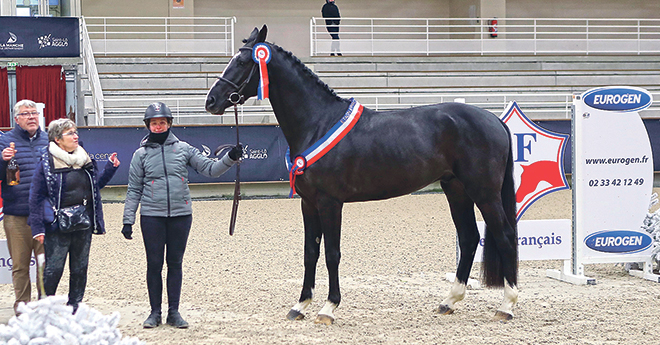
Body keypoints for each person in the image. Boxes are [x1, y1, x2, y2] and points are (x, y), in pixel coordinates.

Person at [121, 102, 242, 329]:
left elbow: (210, 169)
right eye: (154, 123)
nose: (158, 127)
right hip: (152, 216)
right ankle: (154, 312)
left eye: (162, 123)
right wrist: (128, 219)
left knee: (175, 263)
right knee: (154, 264)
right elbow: (134, 189)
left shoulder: (184, 149)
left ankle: (173, 312)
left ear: (169, 124)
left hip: (180, 215)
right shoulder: (140, 155)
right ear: (148, 126)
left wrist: (230, 158)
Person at [28, 118, 120, 313]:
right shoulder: (46, 162)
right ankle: (45, 309)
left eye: (75, 132)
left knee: (80, 269)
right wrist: (38, 228)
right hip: (57, 227)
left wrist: (110, 169)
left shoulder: (84, 159)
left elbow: (95, 187)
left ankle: (74, 307)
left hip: (83, 224)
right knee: (53, 270)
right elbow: (36, 197)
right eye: (70, 133)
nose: (75, 136)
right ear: (57, 139)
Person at [0, 100, 49, 315]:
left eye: (34, 113)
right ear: (16, 118)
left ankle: (44, 308)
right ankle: (22, 309)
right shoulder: (4, 141)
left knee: (45, 265)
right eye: (26, 114)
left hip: (44, 215)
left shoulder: (50, 140)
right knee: (20, 266)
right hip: (16, 215)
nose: (31, 117)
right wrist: (2, 161)